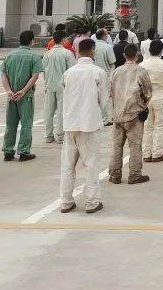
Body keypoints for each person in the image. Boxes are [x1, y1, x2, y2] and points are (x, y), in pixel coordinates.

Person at [60, 39, 109, 214]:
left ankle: (66, 201)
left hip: (70, 124)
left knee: (68, 165)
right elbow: (103, 99)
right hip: (89, 124)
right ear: (93, 51)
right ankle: (92, 202)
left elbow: (65, 94)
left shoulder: (68, 73)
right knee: (90, 164)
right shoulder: (98, 72)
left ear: (78, 52)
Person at [108, 43, 152, 185]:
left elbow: (111, 91)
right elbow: (147, 92)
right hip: (134, 114)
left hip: (117, 114)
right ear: (137, 55)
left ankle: (115, 174)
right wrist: (143, 106)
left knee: (117, 145)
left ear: (124, 55)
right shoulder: (141, 71)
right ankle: (134, 174)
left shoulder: (116, 71)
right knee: (135, 145)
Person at [1, 30, 44, 162]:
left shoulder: (9, 55)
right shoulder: (34, 56)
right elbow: (35, 76)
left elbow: (3, 74)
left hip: (12, 96)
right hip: (26, 96)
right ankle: (24, 151)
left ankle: (8, 151)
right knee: (26, 124)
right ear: (32, 41)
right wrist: (24, 91)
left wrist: (8, 90)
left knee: (10, 124)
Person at [140, 39, 163, 163]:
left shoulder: (142, 65)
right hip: (162, 99)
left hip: (146, 100)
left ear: (149, 50)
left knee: (147, 127)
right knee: (160, 126)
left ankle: (146, 153)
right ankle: (157, 153)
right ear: (161, 51)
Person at [43, 29, 75, 144]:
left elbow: (44, 71)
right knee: (61, 111)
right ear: (64, 39)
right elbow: (71, 71)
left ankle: (48, 135)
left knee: (48, 111)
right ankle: (60, 135)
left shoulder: (47, 54)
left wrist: (46, 84)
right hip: (63, 86)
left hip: (49, 85)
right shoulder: (67, 53)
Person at [92, 29, 117, 124]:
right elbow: (112, 62)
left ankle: (95, 117)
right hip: (104, 74)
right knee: (104, 97)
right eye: (106, 34)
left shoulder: (93, 46)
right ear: (103, 36)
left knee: (94, 96)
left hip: (92, 72)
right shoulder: (108, 47)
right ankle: (105, 119)